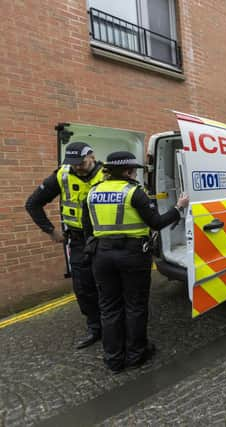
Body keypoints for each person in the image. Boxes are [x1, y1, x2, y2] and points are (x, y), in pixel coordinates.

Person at [83, 151, 189, 373]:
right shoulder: (134, 193)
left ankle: (113, 359)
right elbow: (157, 223)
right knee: (135, 305)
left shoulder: (92, 193)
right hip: (132, 256)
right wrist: (178, 207)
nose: (134, 173)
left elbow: (87, 229)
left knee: (109, 307)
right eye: (133, 169)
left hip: (101, 256)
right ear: (127, 170)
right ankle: (136, 354)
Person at [25, 142, 104, 349]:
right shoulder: (62, 175)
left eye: (81, 162)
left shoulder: (108, 174)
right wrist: (51, 231)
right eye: (73, 163)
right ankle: (96, 328)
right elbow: (32, 203)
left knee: (108, 284)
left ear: (92, 156)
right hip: (78, 241)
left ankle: (114, 325)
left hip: (105, 238)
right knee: (83, 288)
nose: (77, 166)